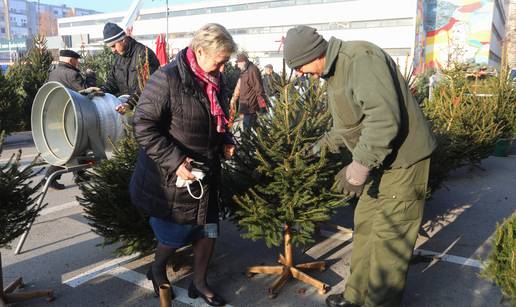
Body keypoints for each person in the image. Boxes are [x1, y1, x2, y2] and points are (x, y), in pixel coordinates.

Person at [283, 25, 436, 307]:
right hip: (380, 163)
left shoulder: (361, 59)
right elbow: (347, 126)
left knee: (390, 240)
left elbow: (384, 120)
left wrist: (358, 167)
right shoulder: (334, 72)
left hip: (403, 162)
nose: (300, 74)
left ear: (312, 54)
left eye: (299, 67)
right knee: (366, 226)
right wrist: (316, 149)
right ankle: (355, 297)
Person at [130, 23, 237, 306]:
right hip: (175, 180)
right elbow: (142, 125)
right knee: (173, 236)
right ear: (200, 52)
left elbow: (219, 119)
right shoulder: (166, 79)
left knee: (209, 230)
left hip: (208, 174)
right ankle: (157, 268)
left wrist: (226, 138)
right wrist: (175, 160)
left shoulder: (215, 80)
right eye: (220, 62)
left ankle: (200, 282)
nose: (223, 69)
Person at [43, 49, 97, 190]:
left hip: (58, 115)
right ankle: (49, 176)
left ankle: (80, 174)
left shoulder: (53, 72)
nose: (78, 63)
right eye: (76, 60)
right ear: (71, 60)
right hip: (74, 116)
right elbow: (87, 91)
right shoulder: (72, 74)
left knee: (79, 146)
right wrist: (91, 76)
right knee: (71, 148)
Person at [100, 22, 160, 115]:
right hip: (127, 109)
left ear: (123, 40)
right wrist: (100, 91)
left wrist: (130, 103)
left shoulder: (144, 54)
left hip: (147, 110)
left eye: (113, 46)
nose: (113, 50)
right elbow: (113, 82)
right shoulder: (118, 58)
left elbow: (146, 85)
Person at [233, 52, 267, 130]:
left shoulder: (252, 70)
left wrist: (262, 104)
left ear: (243, 62)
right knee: (255, 126)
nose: (237, 65)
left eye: (238, 63)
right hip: (245, 104)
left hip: (250, 105)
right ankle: (262, 139)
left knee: (246, 127)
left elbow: (258, 88)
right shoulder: (244, 70)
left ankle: (246, 141)